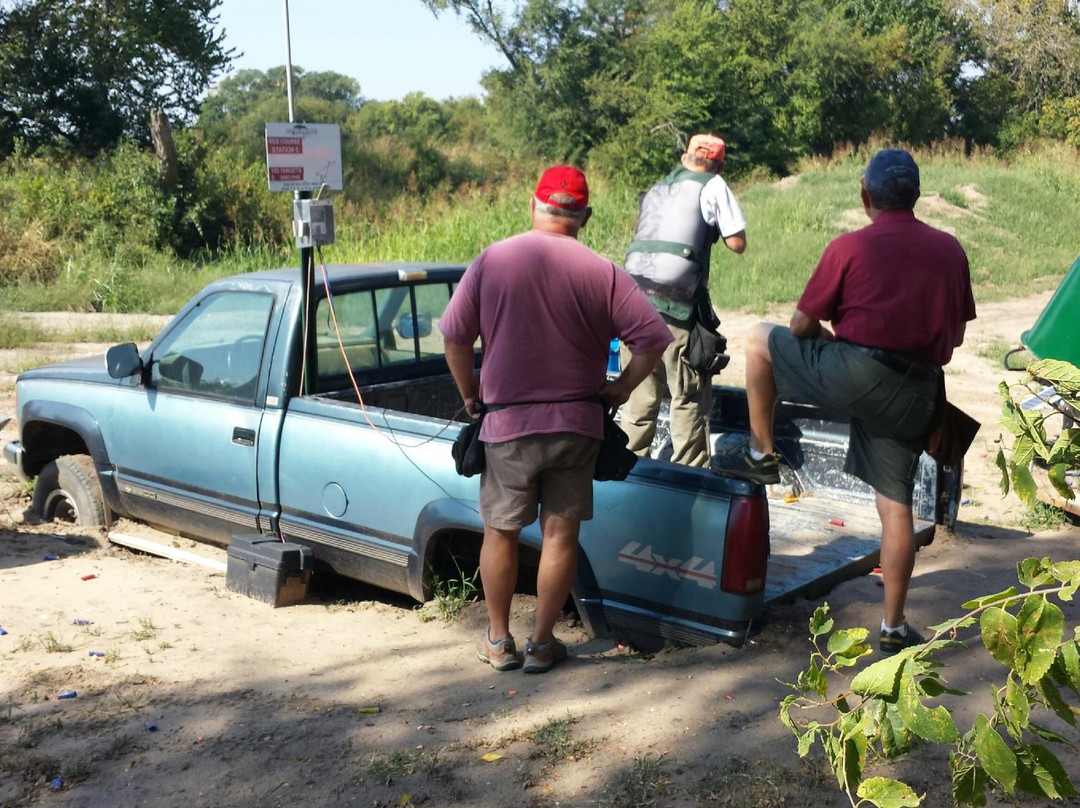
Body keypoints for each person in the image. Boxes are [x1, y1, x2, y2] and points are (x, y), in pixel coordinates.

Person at [710, 149, 976, 655]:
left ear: (864, 194)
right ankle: (894, 627)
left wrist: (843, 346)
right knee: (895, 505)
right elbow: (957, 339)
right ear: (916, 195)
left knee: (758, 338)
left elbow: (800, 328)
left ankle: (761, 453)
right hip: (918, 392)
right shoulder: (950, 250)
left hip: (857, 373)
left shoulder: (850, 247)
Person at [440, 165, 673, 674]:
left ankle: (499, 643)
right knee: (560, 535)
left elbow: (455, 338)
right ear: (584, 216)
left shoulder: (492, 261)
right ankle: (543, 645)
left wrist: (471, 394)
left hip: (507, 427)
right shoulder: (603, 271)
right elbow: (653, 339)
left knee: (499, 532)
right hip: (578, 424)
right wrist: (621, 388)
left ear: (533, 205)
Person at [620, 133, 747, 467]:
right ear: (721, 164)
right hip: (676, 307)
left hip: (630, 306)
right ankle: (689, 477)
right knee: (687, 397)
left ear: (684, 157)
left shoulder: (658, 187)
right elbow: (737, 242)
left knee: (637, 395)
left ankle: (627, 471)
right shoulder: (714, 185)